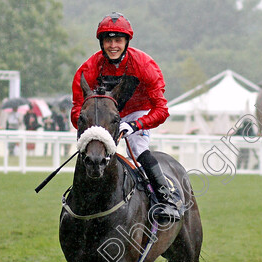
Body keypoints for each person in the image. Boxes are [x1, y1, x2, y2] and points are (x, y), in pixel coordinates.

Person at [71, 12, 182, 222]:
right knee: (92, 152)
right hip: (102, 116)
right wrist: (93, 131)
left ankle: (167, 198)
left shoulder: (145, 65)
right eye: (108, 40)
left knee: (138, 149)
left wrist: (135, 124)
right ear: (102, 42)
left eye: (118, 40)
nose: (113, 45)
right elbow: (78, 110)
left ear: (126, 41)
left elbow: (161, 110)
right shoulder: (88, 69)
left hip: (136, 112)